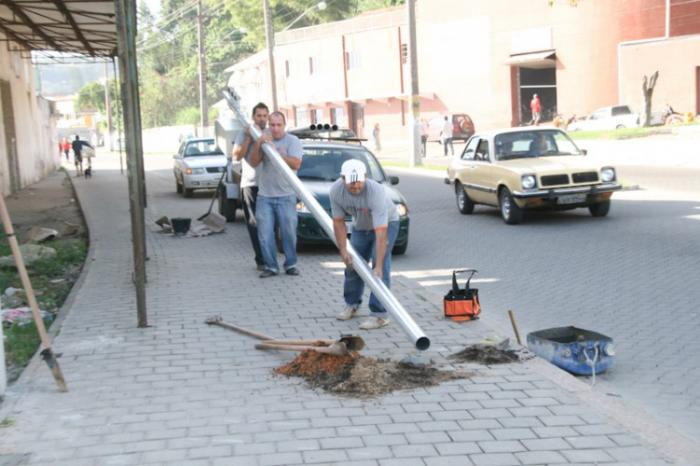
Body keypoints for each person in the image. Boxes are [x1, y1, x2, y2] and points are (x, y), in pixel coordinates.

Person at [332, 159, 400, 330]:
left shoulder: (375, 191)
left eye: (359, 184)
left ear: (365, 177)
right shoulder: (336, 191)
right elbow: (338, 222)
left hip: (387, 224)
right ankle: (352, 304)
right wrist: (343, 250)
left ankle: (379, 315)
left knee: (380, 267)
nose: (355, 188)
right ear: (342, 178)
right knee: (352, 264)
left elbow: (381, 233)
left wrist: (377, 265)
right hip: (360, 226)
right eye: (351, 185)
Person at [249, 111, 303, 278]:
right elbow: (253, 162)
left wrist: (276, 153)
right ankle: (271, 266)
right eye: (272, 125)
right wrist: (259, 144)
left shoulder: (292, 141)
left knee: (289, 233)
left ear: (284, 125)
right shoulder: (263, 139)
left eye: (279, 125)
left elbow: (296, 163)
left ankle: (291, 264)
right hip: (265, 196)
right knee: (264, 233)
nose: (275, 128)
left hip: (286, 195)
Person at [233, 102, 269, 271]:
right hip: (250, 185)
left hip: (269, 186)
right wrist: (249, 137)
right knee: (254, 224)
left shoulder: (271, 132)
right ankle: (261, 260)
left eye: (264, 116)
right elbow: (237, 156)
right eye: (258, 115)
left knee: (269, 224)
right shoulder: (244, 133)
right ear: (253, 117)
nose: (262, 119)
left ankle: (270, 257)